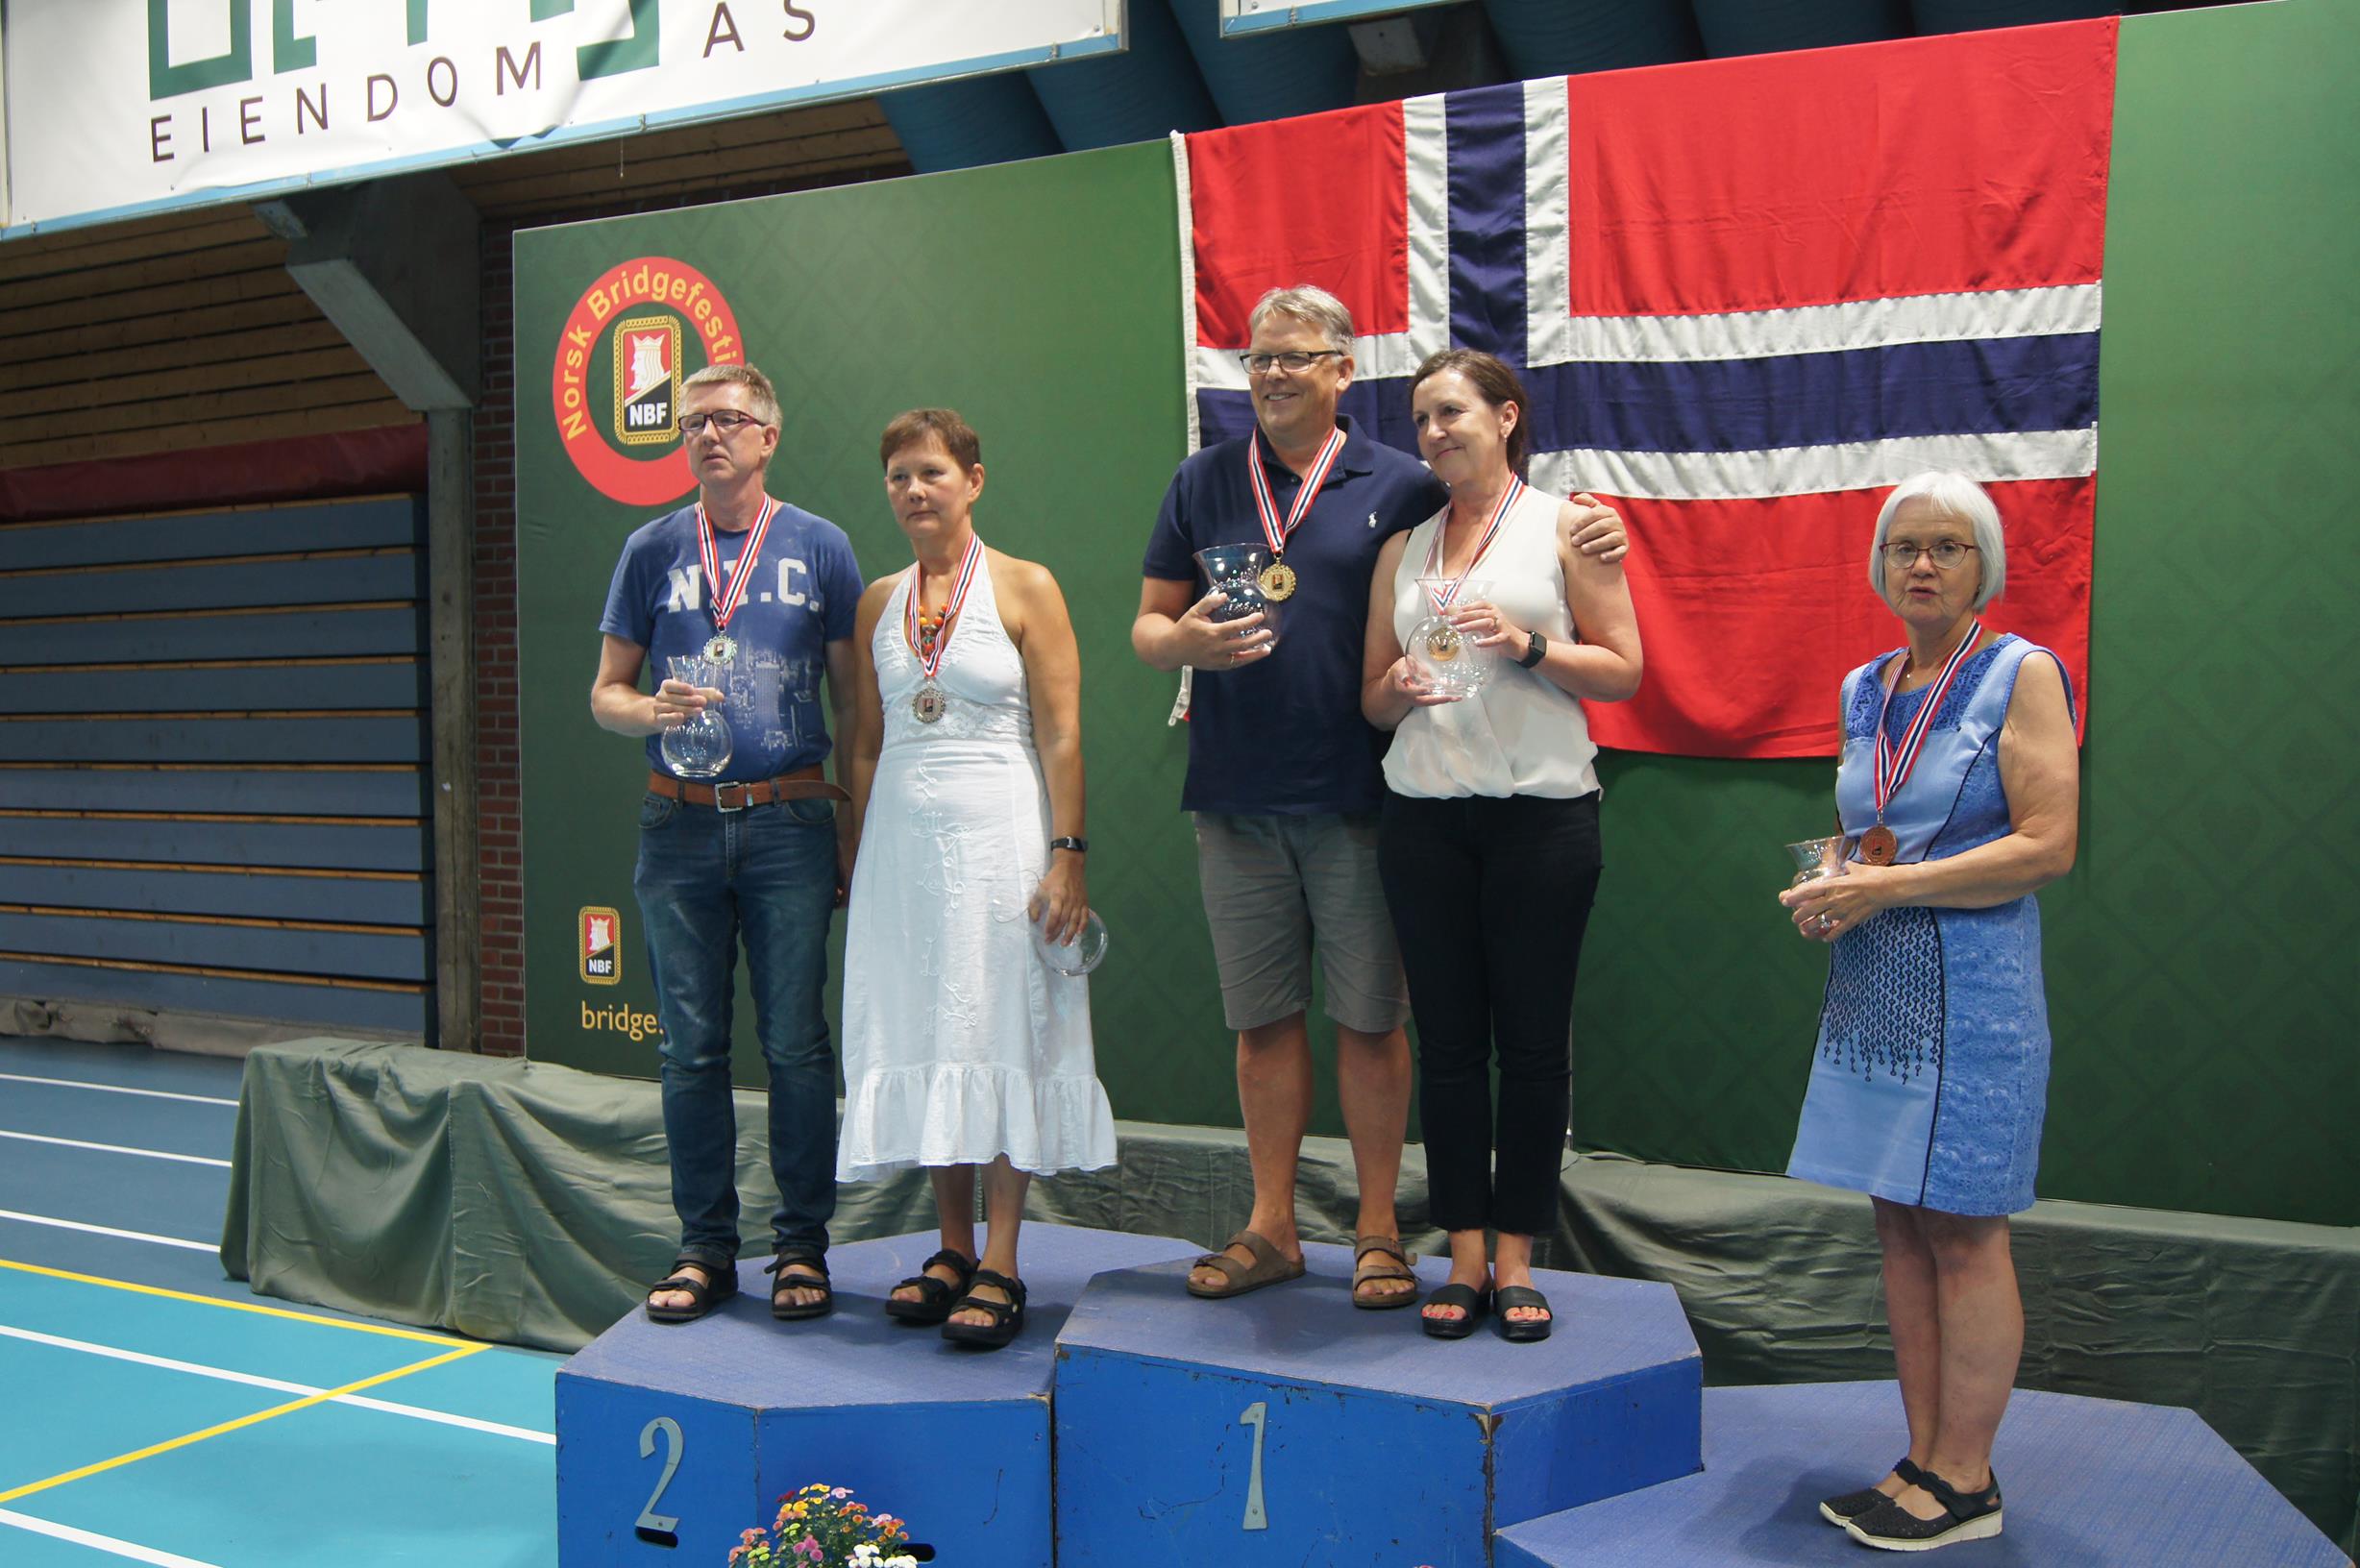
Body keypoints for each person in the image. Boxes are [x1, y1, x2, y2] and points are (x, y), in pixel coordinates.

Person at [1135, 285, 1628, 1307]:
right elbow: (1150, 627)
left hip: (1372, 799)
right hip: (1251, 792)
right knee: (1270, 1023)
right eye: (1258, 358)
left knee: (1382, 1025)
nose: (1272, 373)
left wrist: (1586, 554)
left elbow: (1565, 604)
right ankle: (1278, 1226)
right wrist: (1180, 645)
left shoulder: (1405, 486)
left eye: (1293, 356)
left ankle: (1382, 1235)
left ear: (1341, 370)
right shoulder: (1205, 479)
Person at [1779, 472, 2078, 1552]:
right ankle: (1919, 1459)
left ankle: (1966, 1479)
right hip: (1874, 982)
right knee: (1898, 1223)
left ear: (1981, 565)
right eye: (1904, 546)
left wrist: (1888, 887)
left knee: (1961, 1227)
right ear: (1878, 565)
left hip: (1973, 992)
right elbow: (1877, 829)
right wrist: (1833, 883)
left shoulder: (2020, 672)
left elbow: (2047, 845)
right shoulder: (1865, 685)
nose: (1922, 564)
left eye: (1948, 547)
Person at [1361, 350, 1642, 1342]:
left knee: (1530, 1046)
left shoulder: (1568, 527)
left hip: (1541, 818)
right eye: (1421, 419)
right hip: (1424, 818)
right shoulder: (1403, 549)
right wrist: (1398, 687)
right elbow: (1371, 698)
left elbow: (1623, 670)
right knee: (1444, 1047)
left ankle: (1517, 1257)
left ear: (1506, 416)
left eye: (1452, 412)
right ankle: (1464, 1253)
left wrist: (1526, 646)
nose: (1434, 432)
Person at [837, 408, 1118, 1350]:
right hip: (901, 850)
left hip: (1004, 837)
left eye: (931, 473)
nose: (913, 491)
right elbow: (864, 744)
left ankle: (1002, 1258)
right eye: (898, 477)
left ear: (973, 481)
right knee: (930, 1029)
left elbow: (1063, 734)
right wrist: (857, 848)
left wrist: (1067, 855)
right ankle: (951, 1247)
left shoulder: (1026, 586)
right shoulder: (877, 603)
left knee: (1000, 1027)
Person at [591, 363, 864, 1326]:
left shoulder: (821, 546)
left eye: (730, 419)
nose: (709, 434)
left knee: (795, 1044)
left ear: (768, 436)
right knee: (690, 1050)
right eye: (694, 421)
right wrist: (647, 710)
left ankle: (801, 1246)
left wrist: (851, 830)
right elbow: (605, 694)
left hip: (790, 821)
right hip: (679, 824)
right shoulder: (650, 548)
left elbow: (855, 705)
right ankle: (704, 1249)